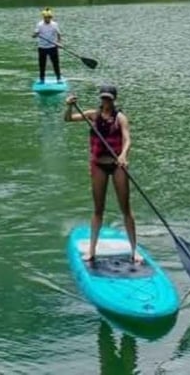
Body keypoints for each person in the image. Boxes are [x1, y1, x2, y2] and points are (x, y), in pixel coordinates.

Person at [64, 83, 138, 265]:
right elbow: (68, 119)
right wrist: (69, 106)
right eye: (103, 98)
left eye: (109, 99)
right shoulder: (92, 115)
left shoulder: (120, 118)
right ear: (100, 98)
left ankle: (134, 251)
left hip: (117, 165)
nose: (106, 101)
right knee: (98, 209)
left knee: (125, 208)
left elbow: (128, 139)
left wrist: (123, 155)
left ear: (114, 99)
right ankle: (91, 251)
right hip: (98, 165)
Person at [32, 7, 63, 84]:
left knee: (56, 64)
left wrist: (59, 43)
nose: (47, 19)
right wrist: (35, 35)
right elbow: (35, 34)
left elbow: (59, 34)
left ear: (51, 17)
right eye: (46, 17)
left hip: (52, 47)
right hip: (42, 47)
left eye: (49, 17)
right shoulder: (39, 25)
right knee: (42, 65)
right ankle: (42, 79)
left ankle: (58, 79)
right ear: (43, 17)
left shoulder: (54, 24)